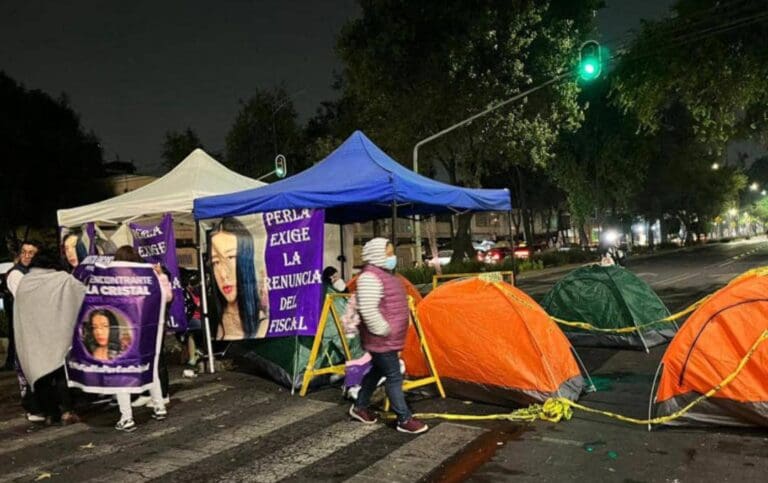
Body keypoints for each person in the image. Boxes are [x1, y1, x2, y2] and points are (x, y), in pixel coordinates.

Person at [349, 238, 428, 434]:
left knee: (377, 371)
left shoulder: (384, 275)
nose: (392, 257)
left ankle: (360, 407)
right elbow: (368, 309)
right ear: (377, 254)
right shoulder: (370, 278)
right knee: (394, 375)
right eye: (389, 253)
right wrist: (383, 329)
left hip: (387, 339)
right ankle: (404, 418)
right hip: (381, 338)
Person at [14, 252, 84, 425]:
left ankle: (51, 414)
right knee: (61, 374)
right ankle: (67, 411)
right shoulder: (63, 279)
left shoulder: (25, 282)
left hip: (33, 339)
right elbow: (84, 294)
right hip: (59, 337)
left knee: (41, 378)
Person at [111, 245, 169, 432]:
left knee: (122, 373)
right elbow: (167, 297)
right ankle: (159, 406)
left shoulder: (113, 280)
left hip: (124, 331)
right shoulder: (147, 278)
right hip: (146, 330)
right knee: (149, 368)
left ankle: (126, 417)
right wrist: (161, 276)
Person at [5, 240, 45, 421]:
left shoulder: (34, 272)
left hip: (38, 327)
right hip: (24, 328)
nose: (27, 255)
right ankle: (32, 406)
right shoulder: (16, 274)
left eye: (31, 252)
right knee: (27, 368)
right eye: (24, 252)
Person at [209, 217, 266, 340]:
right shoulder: (212, 320)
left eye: (230, 258)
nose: (223, 275)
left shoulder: (264, 323)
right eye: (216, 262)